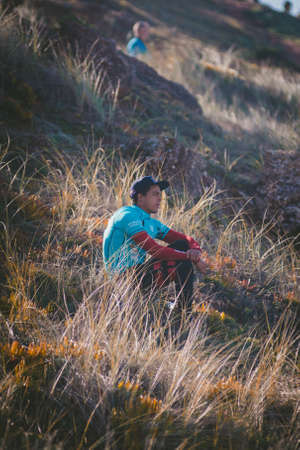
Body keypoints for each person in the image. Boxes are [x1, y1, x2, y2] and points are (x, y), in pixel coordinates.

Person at [103, 176, 207, 313]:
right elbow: (153, 249)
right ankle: (183, 313)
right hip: (123, 279)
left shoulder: (151, 223)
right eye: (155, 194)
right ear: (140, 197)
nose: (160, 198)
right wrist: (191, 258)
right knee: (184, 263)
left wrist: (196, 250)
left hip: (139, 275)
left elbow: (185, 239)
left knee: (182, 244)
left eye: (160, 194)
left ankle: (182, 310)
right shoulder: (126, 215)